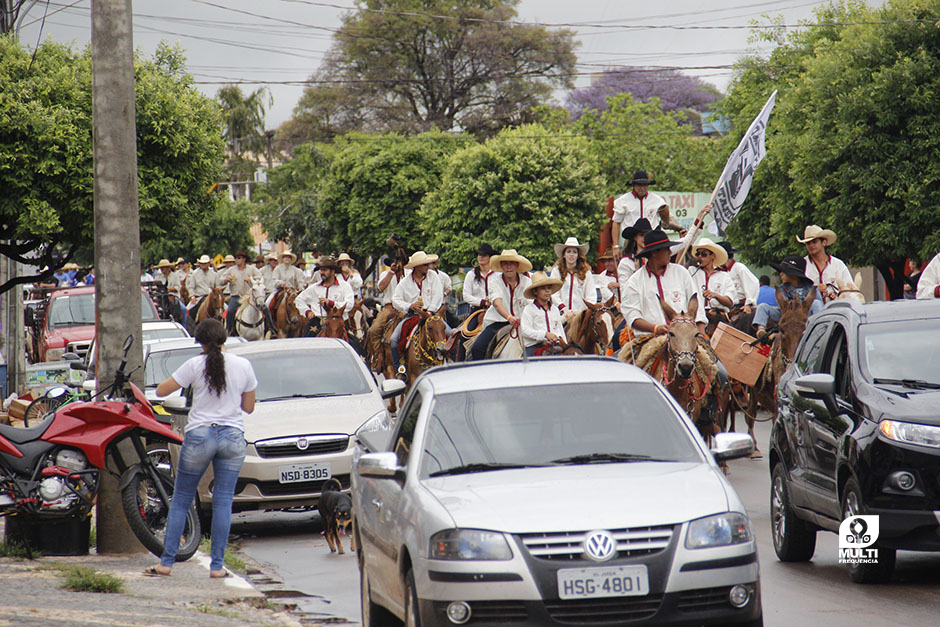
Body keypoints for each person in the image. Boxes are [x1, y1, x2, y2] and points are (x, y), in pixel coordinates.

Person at [146, 318, 256, 578]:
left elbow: (162, 391)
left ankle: (167, 563)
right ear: (224, 338)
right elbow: (248, 407)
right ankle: (217, 567)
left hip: (199, 436)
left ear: (200, 342)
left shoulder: (194, 364)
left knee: (182, 499)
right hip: (232, 437)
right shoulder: (243, 365)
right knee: (223, 501)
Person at [622, 229, 707, 338]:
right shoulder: (634, 281)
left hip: (685, 338)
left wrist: (700, 335)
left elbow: (697, 306)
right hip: (650, 338)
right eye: (666, 250)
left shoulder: (681, 273)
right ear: (654, 253)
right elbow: (632, 317)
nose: (670, 253)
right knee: (625, 354)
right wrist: (655, 328)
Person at [470, 249, 532, 361]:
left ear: (517, 265)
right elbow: (497, 303)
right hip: (498, 322)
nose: (509, 267)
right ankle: (480, 373)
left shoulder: (527, 282)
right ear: (501, 266)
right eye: (505, 264)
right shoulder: (495, 282)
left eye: (512, 263)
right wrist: (509, 317)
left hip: (523, 323)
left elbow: (531, 303)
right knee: (477, 348)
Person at [390, 251, 445, 374]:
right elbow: (395, 299)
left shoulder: (433, 276)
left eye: (428, 264)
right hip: (412, 316)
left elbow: (438, 295)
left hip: (431, 315)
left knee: (451, 334)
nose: (428, 267)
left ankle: (451, 364)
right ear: (417, 266)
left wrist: (430, 310)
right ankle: (400, 369)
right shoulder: (405, 282)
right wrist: (410, 305)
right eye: (425, 265)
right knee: (393, 340)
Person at [610, 170, 684, 260]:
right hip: (632, 240)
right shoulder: (623, 201)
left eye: (645, 185)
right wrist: (616, 246)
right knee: (628, 262)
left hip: (653, 238)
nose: (642, 188)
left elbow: (668, 217)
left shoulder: (657, 200)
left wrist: (678, 227)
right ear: (634, 185)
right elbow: (616, 223)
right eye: (639, 185)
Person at [753, 255, 824, 337]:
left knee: (817, 303)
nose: (780, 274)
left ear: (793, 275)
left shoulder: (811, 288)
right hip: (785, 314)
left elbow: (819, 305)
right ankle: (761, 329)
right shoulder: (782, 288)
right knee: (762, 306)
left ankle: (818, 329)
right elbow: (782, 306)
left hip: (806, 316)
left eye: (783, 272)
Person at [295, 256, 355, 336]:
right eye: (321, 270)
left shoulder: (344, 286)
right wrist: (307, 311)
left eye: (325, 270)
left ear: (333, 272)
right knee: (306, 342)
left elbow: (350, 304)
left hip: (338, 322)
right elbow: (299, 299)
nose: (321, 272)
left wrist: (332, 303)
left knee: (355, 344)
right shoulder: (314, 287)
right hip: (317, 322)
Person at [798, 225, 852, 303]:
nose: (811, 245)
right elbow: (796, 291)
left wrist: (836, 295)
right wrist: (814, 290)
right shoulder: (802, 265)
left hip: (836, 310)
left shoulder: (838, 265)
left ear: (824, 242)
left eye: (814, 242)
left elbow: (849, 290)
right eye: (808, 243)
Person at [688, 238, 737, 324]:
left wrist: (715, 295)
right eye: (698, 254)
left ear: (712, 256)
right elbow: (679, 265)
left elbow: (729, 302)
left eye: (703, 254)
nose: (700, 257)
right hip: (697, 316)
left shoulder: (723, 276)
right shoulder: (692, 271)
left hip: (717, 316)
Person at [550, 237, 596, 318]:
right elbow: (553, 293)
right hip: (560, 314)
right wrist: (563, 308)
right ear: (564, 255)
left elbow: (591, 295)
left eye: (574, 252)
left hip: (580, 315)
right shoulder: (557, 271)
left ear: (578, 255)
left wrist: (583, 312)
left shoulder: (586, 273)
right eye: (568, 252)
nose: (571, 254)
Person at [521, 272, 566, 356]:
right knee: (524, 363)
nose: (547, 291)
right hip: (535, 346)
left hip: (555, 345)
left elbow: (560, 329)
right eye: (542, 288)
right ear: (535, 291)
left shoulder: (555, 309)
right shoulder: (529, 309)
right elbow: (525, 331)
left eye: (549, 288)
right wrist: (544, 334)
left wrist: (563, 342)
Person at [217, 251, 262, 335]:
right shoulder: (231, 270)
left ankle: (270, 328)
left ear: (244, 259)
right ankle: (229, 330)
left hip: (250, 296)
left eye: (239, 258)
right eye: (236, 258)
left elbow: (260, 277)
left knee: (264, 307)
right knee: (230, 311)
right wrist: (226, 279)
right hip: (236, 296)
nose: (236, 260)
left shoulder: (251, 269)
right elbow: (220, 281)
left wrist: (251, 279)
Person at [717, 241, 760, 313]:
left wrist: (748, 304)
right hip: (725, 305)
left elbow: (753, 283)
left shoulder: (739, 267)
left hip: (739, 305)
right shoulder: (720, 271)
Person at [462, 243, 496, 316]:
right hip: (477, 310)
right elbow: (466, 296)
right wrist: (482, 302)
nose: (481, 257)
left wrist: (492, 299)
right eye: (479, 255)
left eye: (484, 255)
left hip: (496, 309)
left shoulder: (497, 274)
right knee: (469, 327)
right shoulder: (471, 274)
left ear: (490, 257)